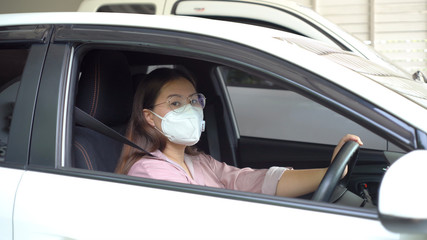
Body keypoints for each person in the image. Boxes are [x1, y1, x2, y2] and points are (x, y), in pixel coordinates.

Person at [115, 68, 363, 197]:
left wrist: (329, 173)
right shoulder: (149, 171)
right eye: (175, 103)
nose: (190, 110)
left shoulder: (197, 160)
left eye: (193, 101)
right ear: (149, 117)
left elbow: (245, 181)